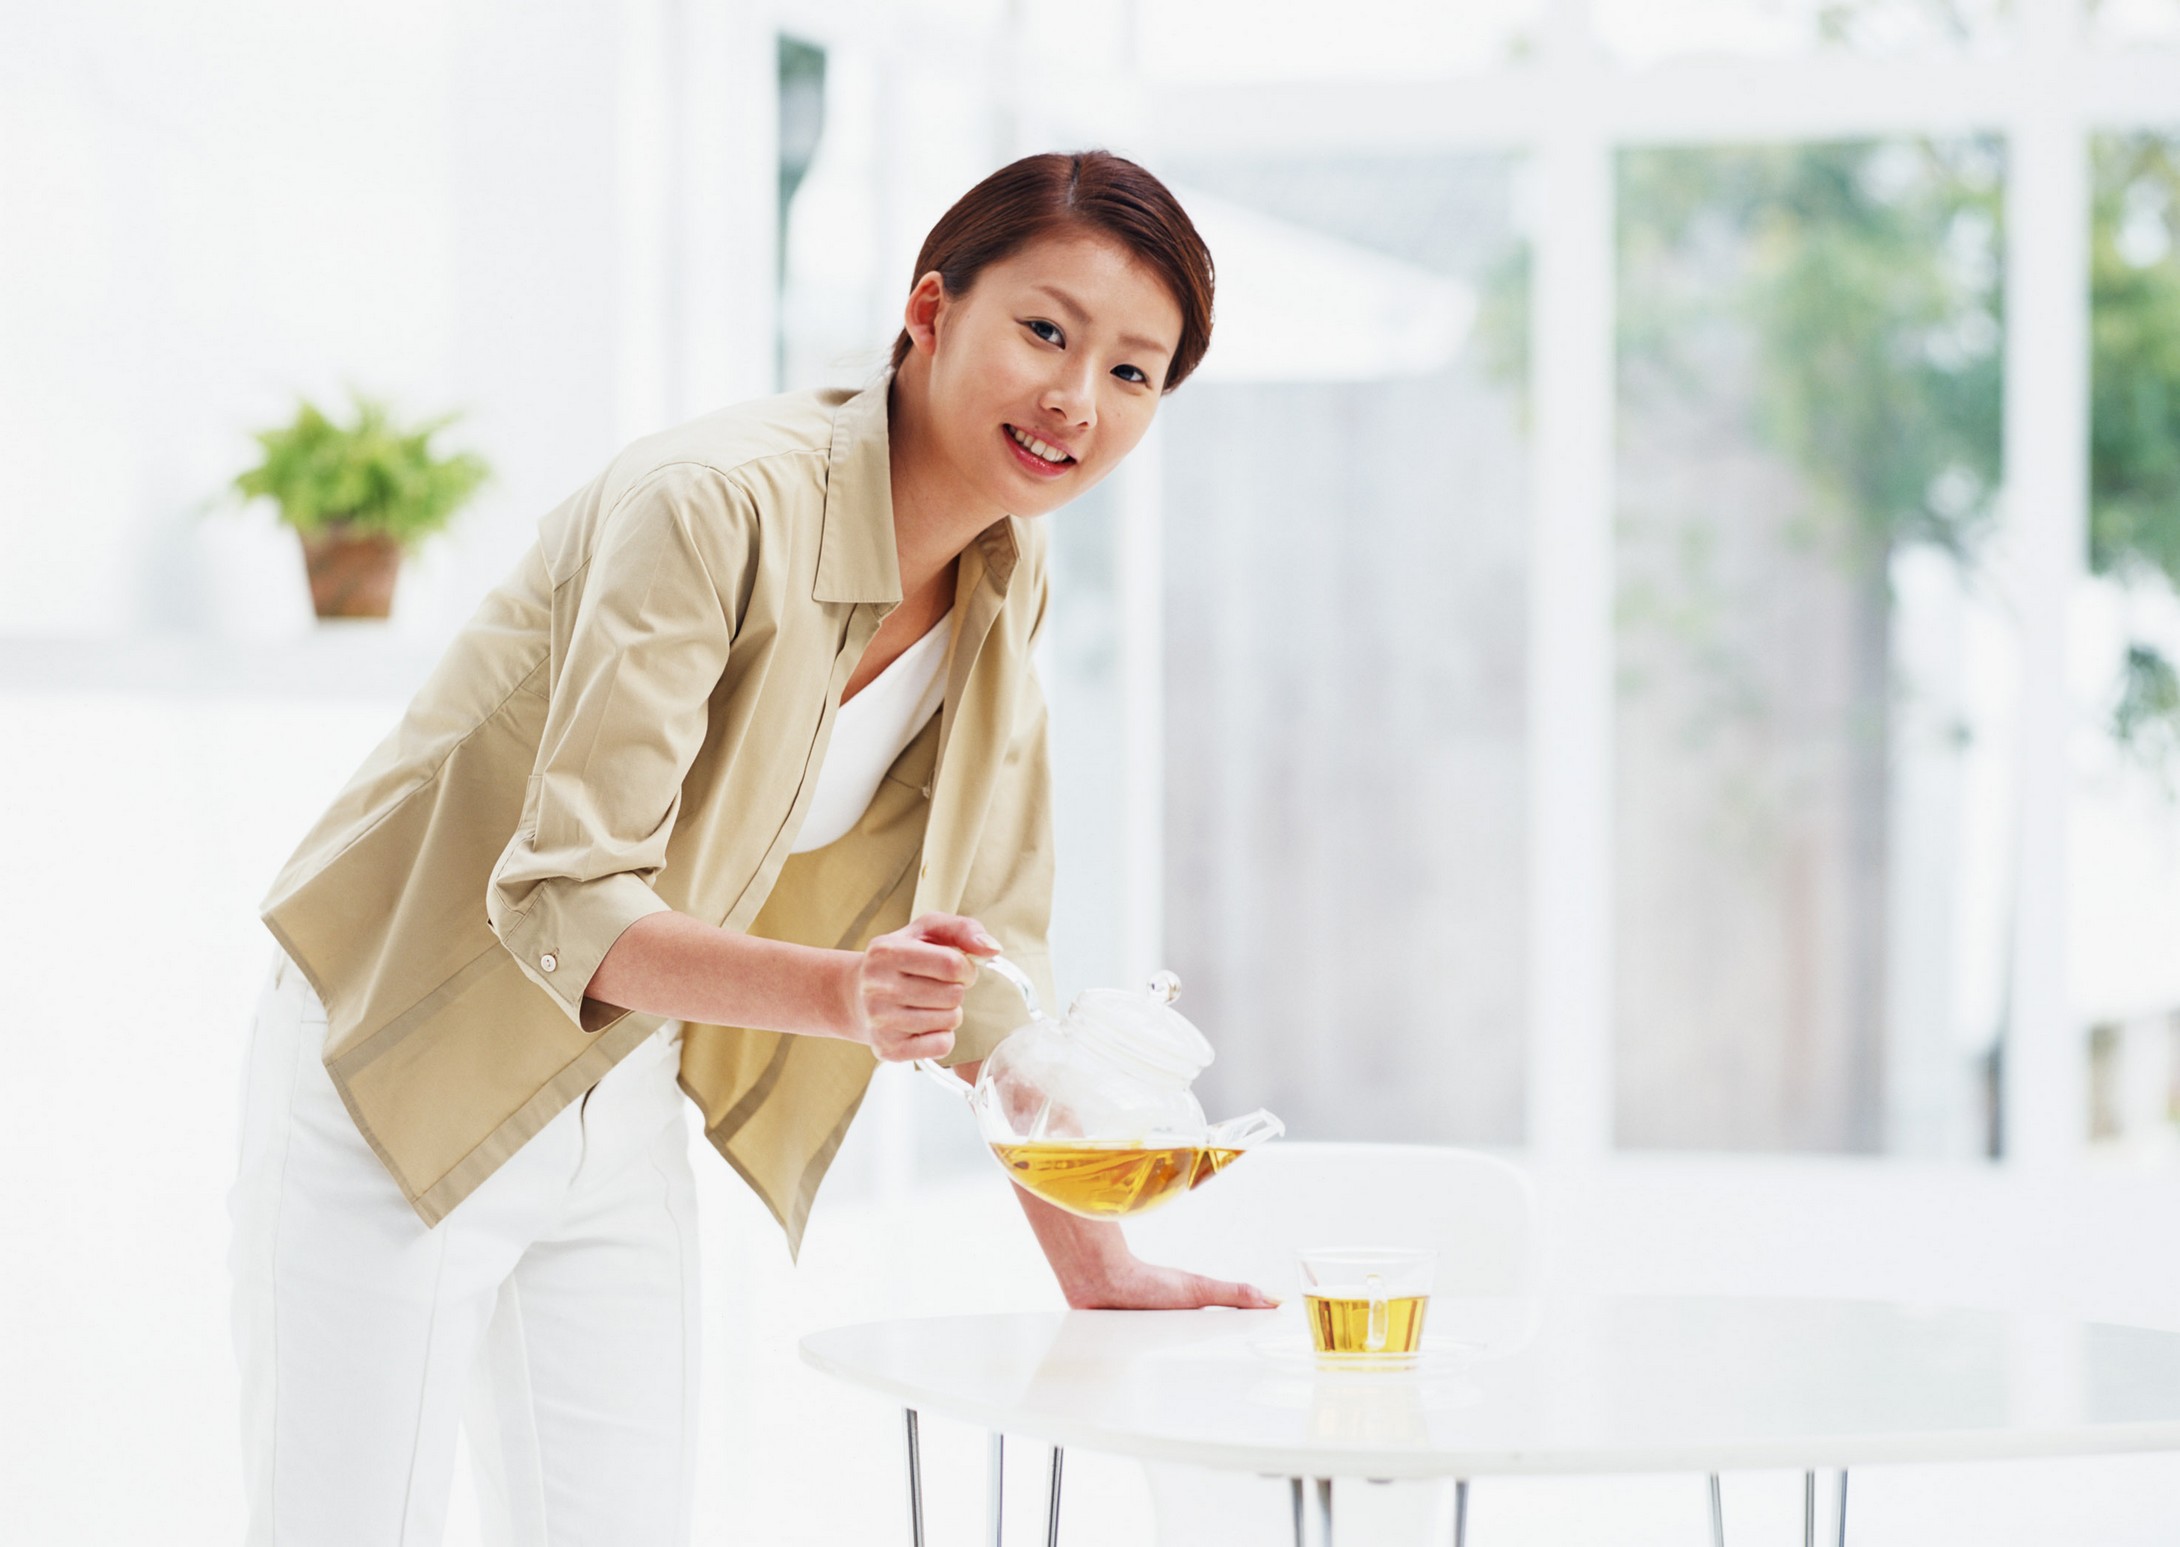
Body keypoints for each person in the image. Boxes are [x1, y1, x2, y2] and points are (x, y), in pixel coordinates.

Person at [226, 148, 1273, 1547]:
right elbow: (560, 897)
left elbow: (989, 963)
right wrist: (847, 995)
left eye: (1133, 371)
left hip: (617, 1091)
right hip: (402, 1053)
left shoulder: (1003, 577)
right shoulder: (712, 503)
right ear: (930, 310)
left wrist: (1099, 1264)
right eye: (1046, 330)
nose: (1077, 398)